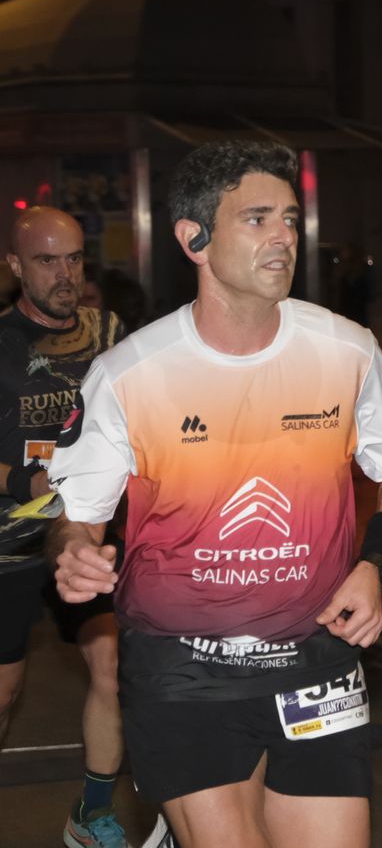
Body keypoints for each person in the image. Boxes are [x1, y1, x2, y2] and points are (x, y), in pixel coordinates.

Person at [48, 141, 382, 848]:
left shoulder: (346, 349)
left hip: (317, 654)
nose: (282, 236)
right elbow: (75, 521)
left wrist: (376, 564)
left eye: (288, 217)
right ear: (193, 238)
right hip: (184, 667)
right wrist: (73, 553)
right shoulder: (130, 373)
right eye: (256, 219)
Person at [0, 206, 128, 847]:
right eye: (47, 260)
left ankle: (93, 815)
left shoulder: (110, 332)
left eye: (74, 258)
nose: (65, 273)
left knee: (111, 673)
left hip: (87, 535)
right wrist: (25, 483)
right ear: (16, 266)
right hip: (12, 542)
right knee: (3, 692)